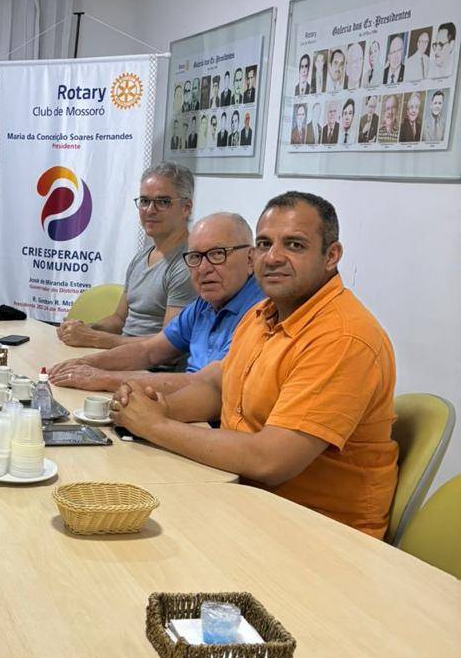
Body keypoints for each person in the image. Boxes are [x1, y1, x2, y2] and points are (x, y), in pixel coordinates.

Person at [110, 192, 398, 538]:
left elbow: (270, 461)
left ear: (331, 256)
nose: (273, 257)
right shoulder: (262, 314)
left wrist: (155, 426)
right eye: (264, 244)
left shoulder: (342, 337)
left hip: (320, 531)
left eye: (294, 245)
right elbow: (216, 387)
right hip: (245, 498)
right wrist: (156, 408)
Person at [50, 213, 262, 395]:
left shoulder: (261, 313)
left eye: (217, 254)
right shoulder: (204, 304)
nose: (203, 268)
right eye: (195, 256)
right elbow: (148, 351)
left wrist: (103, 379)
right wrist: (85, 364)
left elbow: (206, 385)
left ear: (250, 259)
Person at [57, 162, 195, 350]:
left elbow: (169, 345)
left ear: (186, 207)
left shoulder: (188, 264)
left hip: (152, 365)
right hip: (122, 355)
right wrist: (83, 329)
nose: (150, 210)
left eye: (163, 202)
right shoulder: (143, 256)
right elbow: (118, 320)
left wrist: (93, 338)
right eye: (144, 201)